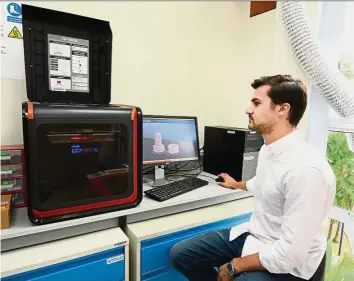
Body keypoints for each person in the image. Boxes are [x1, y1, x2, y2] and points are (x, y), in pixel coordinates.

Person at [169, 75, 336, 281]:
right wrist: (235, 184)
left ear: (283, 109)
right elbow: (261, 184)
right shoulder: (268, 150)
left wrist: (234, 266)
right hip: (257, 237)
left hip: (290, 264)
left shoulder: (307, 172)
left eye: (256, 103)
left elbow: (289, 255)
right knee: (181, 255)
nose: (248, 109)